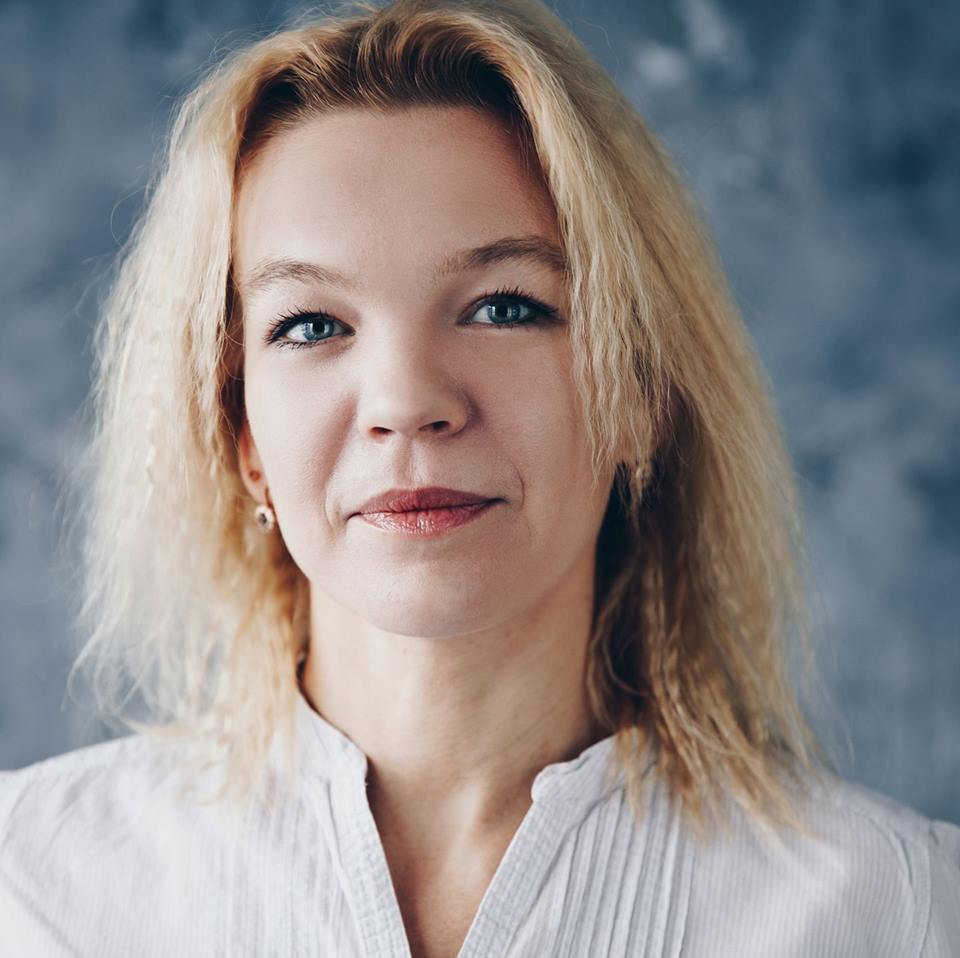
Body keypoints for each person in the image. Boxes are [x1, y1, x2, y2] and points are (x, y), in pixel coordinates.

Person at [1, 0, 957, 955]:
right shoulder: (30, 883)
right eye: (311, 324)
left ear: (637, 393)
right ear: (244, 436)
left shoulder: (899, 910)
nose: (408, 402)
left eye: (503, 307)